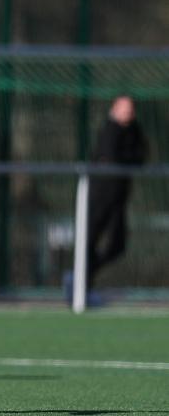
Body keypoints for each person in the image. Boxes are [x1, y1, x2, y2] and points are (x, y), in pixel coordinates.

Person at [66, 95, 147, 304]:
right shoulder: (110, 130)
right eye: (124, 109)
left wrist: (127, 159)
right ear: (115, 109)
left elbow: (140, 156)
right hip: (99, 197)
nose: (128, 114)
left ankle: (82, 279)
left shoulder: (134, 129)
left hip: (119, 198)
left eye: (131, 110)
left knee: (117, 245)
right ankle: (78, 286)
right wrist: (127, 159)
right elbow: (115, 157)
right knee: (88, 241)